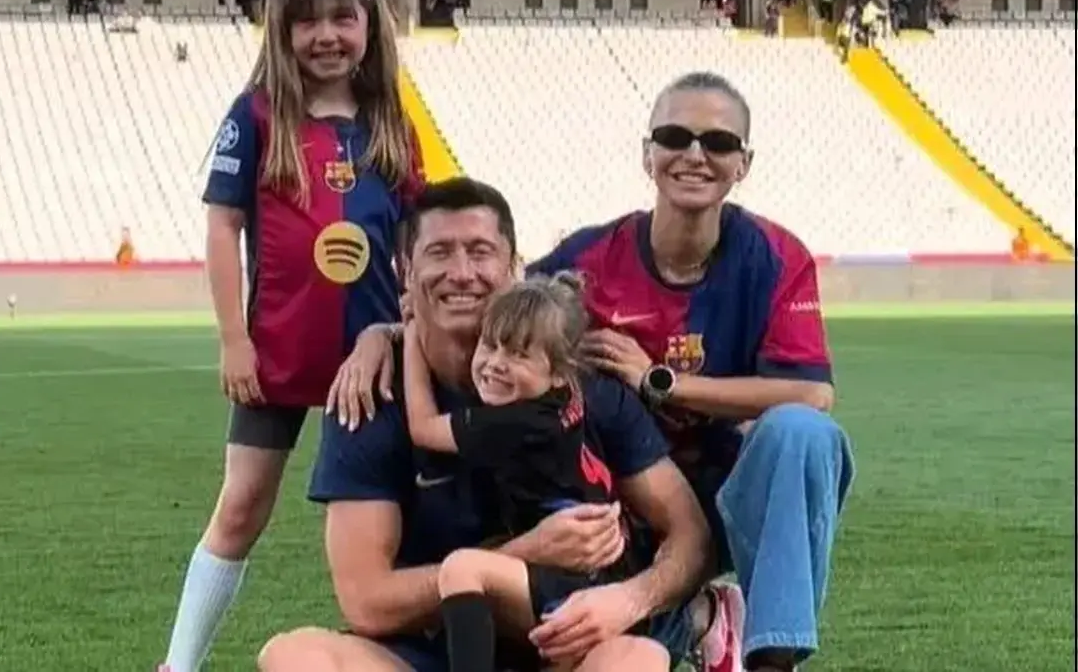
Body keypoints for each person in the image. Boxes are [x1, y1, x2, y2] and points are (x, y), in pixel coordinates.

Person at [257, 178, 715, 672]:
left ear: (515, 267)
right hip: (440, 648)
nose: (461, 273)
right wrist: (522, 553)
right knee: (294, 657)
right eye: (439, 253)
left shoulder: (578, 382)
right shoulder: (369, 394)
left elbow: (690, 534)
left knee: (635, 660)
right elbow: (366, 602)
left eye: (480, 252)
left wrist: (628, 600)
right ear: (404, 271)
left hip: (563, 642)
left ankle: (702, 620)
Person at [158, 0, 424, 672]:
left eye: (343, 18)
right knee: (241, 506)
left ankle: (399, 651)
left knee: (393, 519)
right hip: (275, 355)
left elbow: (417, 234)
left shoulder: (391, 121)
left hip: (374, 364)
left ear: (370, 24)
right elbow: (223, 226)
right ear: (281, 29)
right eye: (307, 21)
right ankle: (178, 663)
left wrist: (408, 331)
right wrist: (232, 340)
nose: (326, 36)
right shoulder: (255, 115)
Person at [529, 71, 855, 672]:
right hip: (615, 497)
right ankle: (701, 618)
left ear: (743, 164)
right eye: (675, 137)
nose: (695, 155)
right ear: (647, 154)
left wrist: (661, 381)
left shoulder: (775, 256)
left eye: (719, 142)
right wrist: (385, 334)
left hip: (724, 498)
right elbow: (492, 318)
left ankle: (771, 660)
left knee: (803, 434)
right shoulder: (586, 259)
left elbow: (813, 393)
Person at [401, 274, 638, 672]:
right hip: (604, 567)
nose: (496, 363)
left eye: (518, 355)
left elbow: (423, 428)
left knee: (461, 568)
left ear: (560, 371)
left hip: (582, 583)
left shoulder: (518, 422)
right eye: (489, 344)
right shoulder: (564, 392)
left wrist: (411, 335)